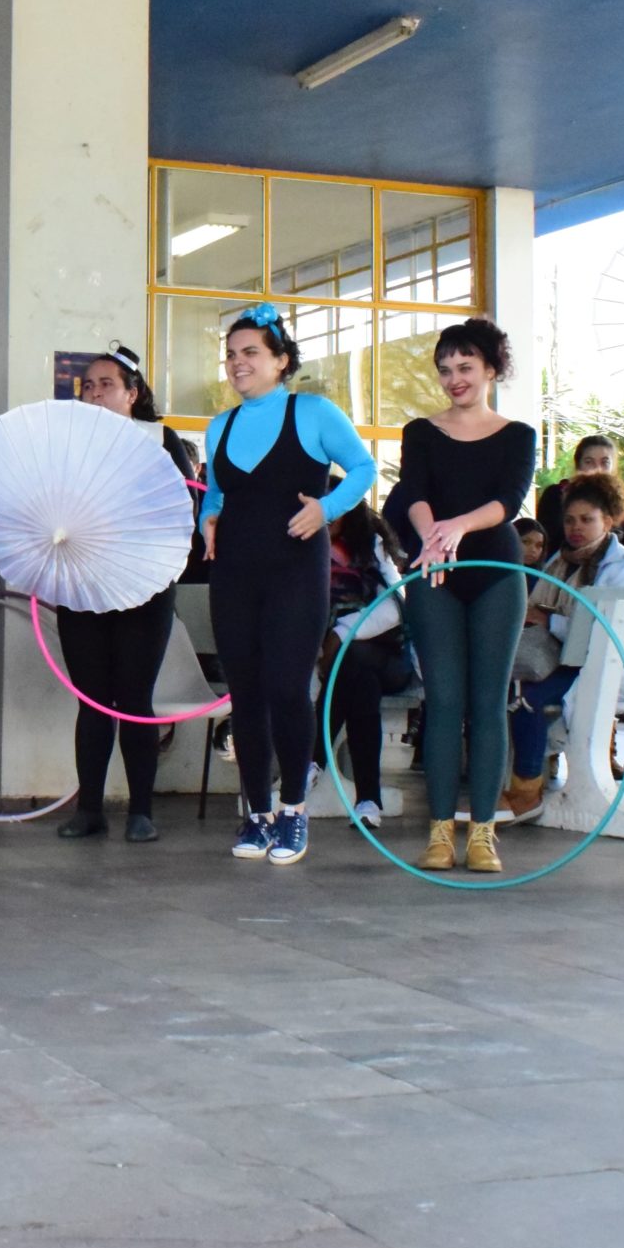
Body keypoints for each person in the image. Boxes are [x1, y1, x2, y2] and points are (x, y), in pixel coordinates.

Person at [200, 307, 376, 864]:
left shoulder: (314, 412)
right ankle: (258, 815)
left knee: (286, 688)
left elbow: (364, 469)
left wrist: (326, 508)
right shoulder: (219, 426)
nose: (238, 363)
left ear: (280, 361)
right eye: (231, 354)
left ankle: (294, 810)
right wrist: (207, 516)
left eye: (250, 352)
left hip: (296, 571)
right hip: (234, 573)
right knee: (246, 694)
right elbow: (216, 493)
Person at [47, 343, 203, 844]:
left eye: (106, 385)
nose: (94, 393)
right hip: (83, 585)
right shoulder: (67, 443)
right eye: (88, 386)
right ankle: (89, 809)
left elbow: (185, 512)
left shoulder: (161, 440)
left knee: (135, 698)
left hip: (145, 587)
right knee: (92, 700)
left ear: (132, 394)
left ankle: (141, 811)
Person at [394, 317, 534, 874]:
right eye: (446, 369)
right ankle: (438, 833)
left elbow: (509, 501)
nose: (455, 379)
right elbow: (412, 491)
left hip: (496, 570)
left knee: (488, 703)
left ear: (491, 370)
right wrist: (433, 536)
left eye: (466, 367)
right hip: (436, 572)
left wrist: (458, 527)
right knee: (445, 701)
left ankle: (482, 834)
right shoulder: (421, 431)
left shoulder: (517, 434)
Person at [504, 472, 624, 824]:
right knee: (517, 688)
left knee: (528, 697)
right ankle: (523, 785)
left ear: (608, 520)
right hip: (574, 659)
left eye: (587, 520)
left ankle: (527, 792)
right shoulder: (560, 562)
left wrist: (548, 620)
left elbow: (611, 634)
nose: (576, 528)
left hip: (614, 667)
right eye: (570, 520)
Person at [324, 501, 412, 827]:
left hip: (388, 656)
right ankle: (368, 800)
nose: (326, 516)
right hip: (350, 666)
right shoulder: (302, 548)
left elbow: (396, 605)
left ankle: (313, 761)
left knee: (352, 660)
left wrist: (340, 634)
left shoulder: (372, 548)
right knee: (360, 682)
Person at [533, 435, 624, 554]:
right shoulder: (556, 495)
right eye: (589, 462)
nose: (597, 468)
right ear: (578, 465)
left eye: (605, 462)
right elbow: (545, 543)